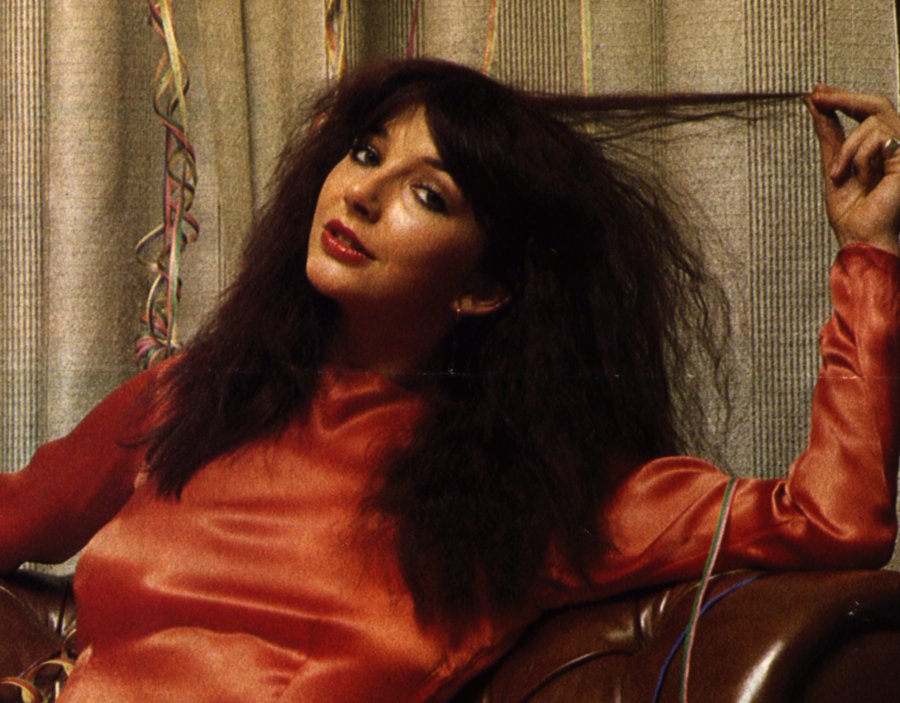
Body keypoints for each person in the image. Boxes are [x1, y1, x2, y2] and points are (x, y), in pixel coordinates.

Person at [1, 58, 898, 702]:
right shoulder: (188, 397)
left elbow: (832, 518)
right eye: (365, 153)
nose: (361, 194)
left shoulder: (533, 499)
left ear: (484, 287)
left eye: (428, 194)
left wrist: (870, 252)